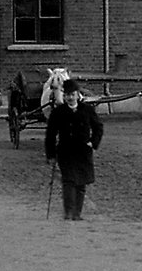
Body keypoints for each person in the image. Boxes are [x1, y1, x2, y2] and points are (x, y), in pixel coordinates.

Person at [44, 78, 105, 221]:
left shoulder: (87, 110)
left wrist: (93, 143)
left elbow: (98, 128)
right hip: (65, 152)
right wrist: (51, 154)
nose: (70, 98)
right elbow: (50, 134)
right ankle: (68, 212)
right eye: (67, 95)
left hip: (83, 152)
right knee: (69, 181)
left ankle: (77, 213)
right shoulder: (58, 112)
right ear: (64, 96)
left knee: (81, 182)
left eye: (73, 94)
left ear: (78, 95)